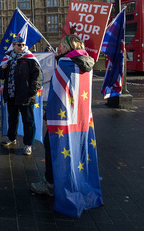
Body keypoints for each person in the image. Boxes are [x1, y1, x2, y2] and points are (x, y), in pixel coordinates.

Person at [30, 34, 95, 197]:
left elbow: (57, 94)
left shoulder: (65, 64)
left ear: (67, 47)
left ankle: (51, 183)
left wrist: (48, 114)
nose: (59, 48)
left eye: (61, 45)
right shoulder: (87, 63)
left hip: (62, 117)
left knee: (51, 143)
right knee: (74, 147)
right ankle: (71, 179)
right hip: (80, 117)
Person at [0, 36, 43, 155]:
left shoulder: (29, 58)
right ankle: (11, 138)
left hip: (25, 95)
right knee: (12, 118)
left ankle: (28, 144)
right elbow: (2, 76)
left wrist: (32, 91)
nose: (21, 47)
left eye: (23, 45)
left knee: (28, 121)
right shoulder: (8, 58)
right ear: (13, 45)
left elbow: (37, 76)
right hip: (12, 94)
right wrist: (2, 69)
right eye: (19, 45)